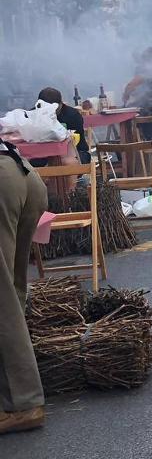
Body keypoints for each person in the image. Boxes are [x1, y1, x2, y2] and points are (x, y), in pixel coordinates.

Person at [0, 138, 48, 433]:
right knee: (12, 292)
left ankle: (23, 403)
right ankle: (15, 393)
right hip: (22, 174)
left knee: (2, 298)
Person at [34, 88, 89, 164]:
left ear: (61, 104)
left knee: (68, 162)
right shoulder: (33, 115)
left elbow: (77, 141)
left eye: (54, 109)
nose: (51, 112)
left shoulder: (72, 115)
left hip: (75, 151)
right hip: (43, 154)